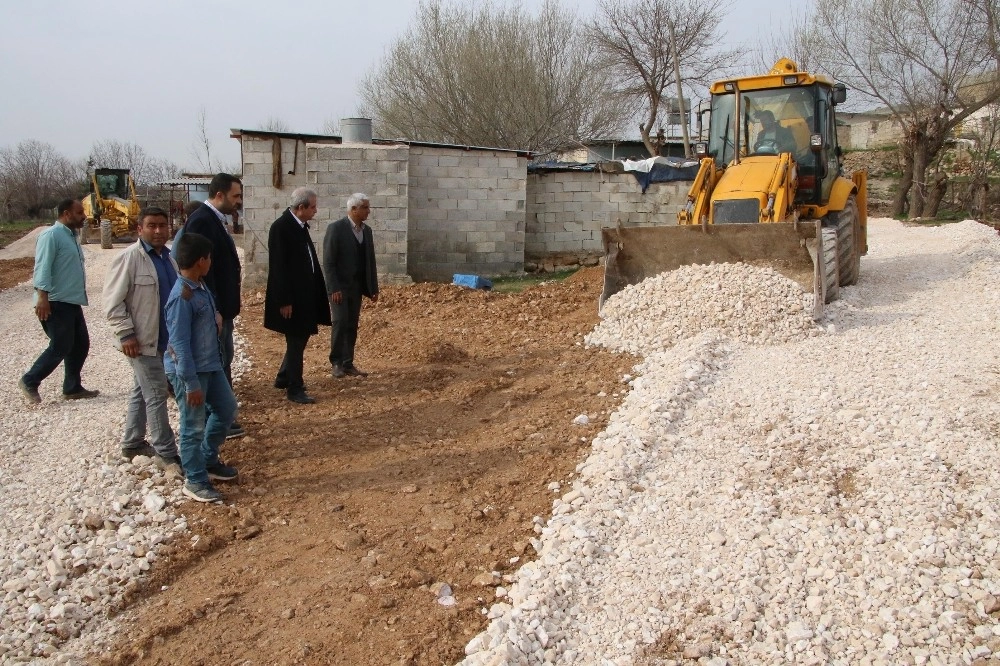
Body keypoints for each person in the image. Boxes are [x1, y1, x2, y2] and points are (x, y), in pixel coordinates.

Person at [103, 206, 182, 469]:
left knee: (142, 390)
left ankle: (132, 443)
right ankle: (166, 452)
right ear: (140, 229)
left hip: (161, 341)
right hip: (139, 341)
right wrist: (126, 334)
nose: (158, 231)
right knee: (157, 393)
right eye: (152, 226)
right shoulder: (130, 258)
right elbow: (113, 304)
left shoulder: (169, 259)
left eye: (162, 225)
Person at [163, 232, 239, 504]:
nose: (211, 262)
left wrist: (215, 316)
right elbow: (179, 344)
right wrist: (190, 383)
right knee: (192, 426)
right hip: (191, 372)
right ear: (200, 261)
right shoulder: (182, 296)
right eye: (209, 258)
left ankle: (208, 460)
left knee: (227, 409)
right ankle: (194, 480)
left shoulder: (199, 286)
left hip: (211, 365)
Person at [183, 174, 245, 439]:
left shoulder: (215, 220)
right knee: (216, 362)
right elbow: (199, 272)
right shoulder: (202, 221)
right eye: (236, 196)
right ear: (219, 195)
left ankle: (223, 417)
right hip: (213, 311)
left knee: (224, 360)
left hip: (221, 309)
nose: (239, 202)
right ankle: (216, 420)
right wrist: (214, 308)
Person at [18, 199, 99, 404]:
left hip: (70, 300)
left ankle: (72, 388)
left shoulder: (72, 236)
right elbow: (42, 267)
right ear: (66, 214)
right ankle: (30, 380)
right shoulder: (51, 235)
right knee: (61, 345)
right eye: (80, 212)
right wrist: (42, 297)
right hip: (54, 301)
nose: (84, 216)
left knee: (80, 344)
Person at [264, 188, 331, 404]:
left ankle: (284, 376)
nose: (315, 211)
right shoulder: (281, 228)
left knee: (299, 340)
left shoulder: (298, 227)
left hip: (304, 296)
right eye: (312, 207)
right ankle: (295, 388)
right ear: (300, 207)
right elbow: (279, 267)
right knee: (295, 342)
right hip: (292, 300)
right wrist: (284, 300)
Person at [323, 193, 379, 379]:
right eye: (365, 207)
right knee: (340, 322)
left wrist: (373, 288)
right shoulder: (336, 229)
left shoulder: (366, 231)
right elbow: (329, 262)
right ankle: (336, 362)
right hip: (340, 288)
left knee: (352, 324)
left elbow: (370, 260)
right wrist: (334, 288)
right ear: (353, 209)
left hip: (356, 287)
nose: (368, 211)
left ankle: (348, 362)